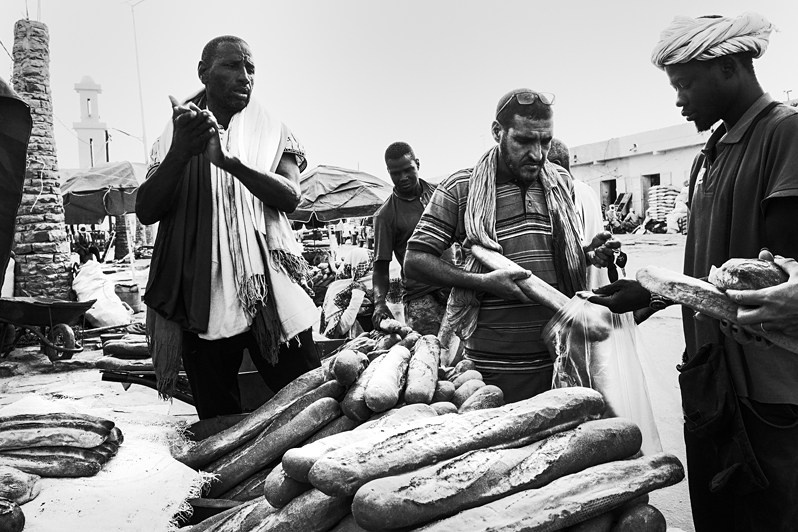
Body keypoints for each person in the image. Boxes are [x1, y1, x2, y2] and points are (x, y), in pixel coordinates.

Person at [588, 13, 798, 531]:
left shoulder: (784, 133)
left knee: (768, 516)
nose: (678, 100)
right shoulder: (710, 153)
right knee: (716, 514)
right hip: (708, 374)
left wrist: (671, 289)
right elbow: (711, 270)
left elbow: (775, 271)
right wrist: (652, 292)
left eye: (684, 84)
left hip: (766, 388)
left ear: (729, 67)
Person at [136, 35, 320, 420]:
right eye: (232, 66)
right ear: (203, 73)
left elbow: (290, 196)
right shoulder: (174, 134)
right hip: (201, 291)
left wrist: (230, 162)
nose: (245, 77)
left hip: (267, 286)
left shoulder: (272, 131)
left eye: (250, 68)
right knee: (218, 416)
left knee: (311, 396)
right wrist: (181, 153)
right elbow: (146, 210)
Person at [404, 89, 618, 403]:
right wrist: (482, 282)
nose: (537, 154)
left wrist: (587, 254)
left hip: (561, 358)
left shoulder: (560, 182)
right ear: (497, 132)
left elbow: (555, 254)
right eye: (524, 141)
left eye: (545, 141)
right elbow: (415, 259)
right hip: (491, 372)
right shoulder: (460, 189)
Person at [371, 142, 451, 336]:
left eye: (408, 170)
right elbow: (381, 267)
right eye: (395, 173)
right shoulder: (385, 215)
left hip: (456, 290)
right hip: (421, 299)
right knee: (429, 353)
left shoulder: (440, 194)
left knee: (465, 354)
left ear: (418, 164)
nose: (403, 178)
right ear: (388, 172)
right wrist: (379, 303)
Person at [548, 138, 611, 289]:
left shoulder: (564, 193)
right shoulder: (588, 189)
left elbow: (572, 246)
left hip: (582, 289)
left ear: (556, 164)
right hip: (596, 283)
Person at [321, 245, 373, 339]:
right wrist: (357, 296)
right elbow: (340, 328)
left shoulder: (375, 287)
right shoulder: (338, 288)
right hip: (350, 343)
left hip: (369, 342)